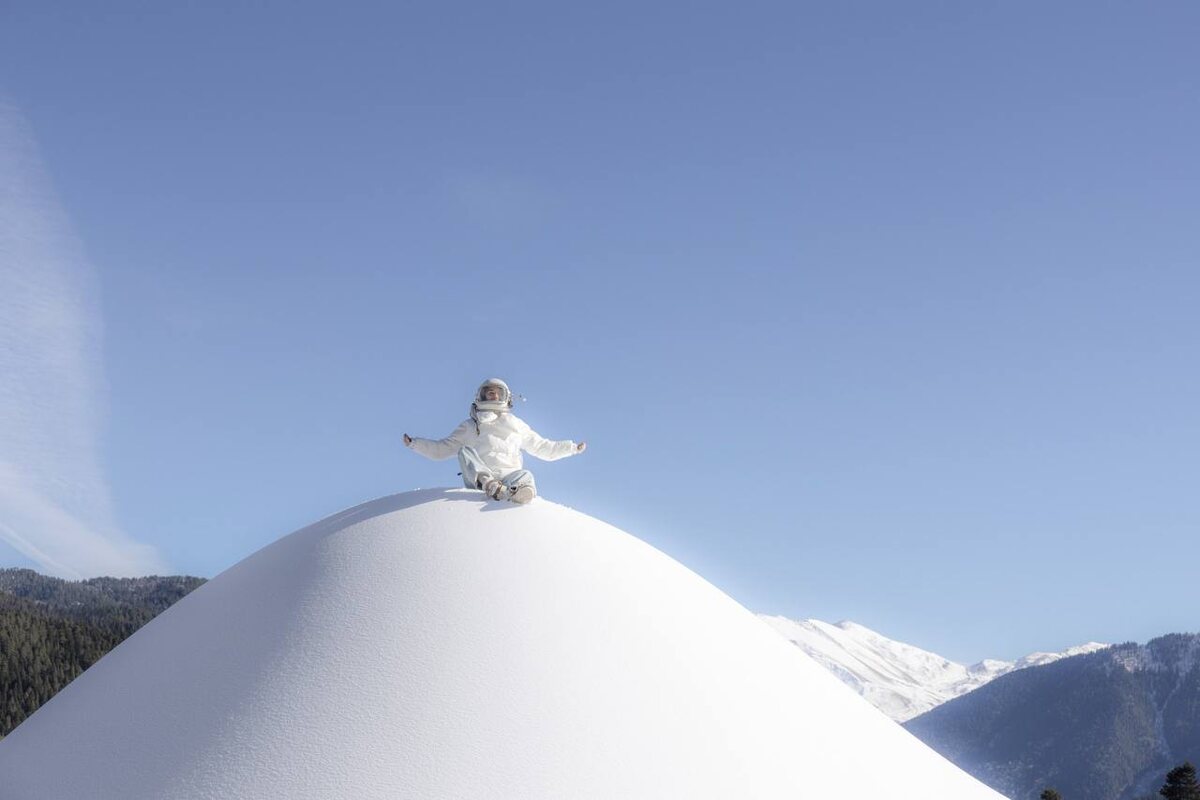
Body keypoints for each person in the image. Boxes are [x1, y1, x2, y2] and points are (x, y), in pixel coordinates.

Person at [403, 378, 586, 504]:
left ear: (506, 396)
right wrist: (415, 444)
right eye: (488, 393)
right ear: (480, 397)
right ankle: (491, 487)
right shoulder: (470, 425)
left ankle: (517, 493)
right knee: (465, 452)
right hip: (480, 480)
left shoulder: (516, 425)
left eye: (497, 393)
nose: (493, 396)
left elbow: (542, 447)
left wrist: (570, 448)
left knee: (527, 476)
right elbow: (442, 450)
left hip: (509, 476)